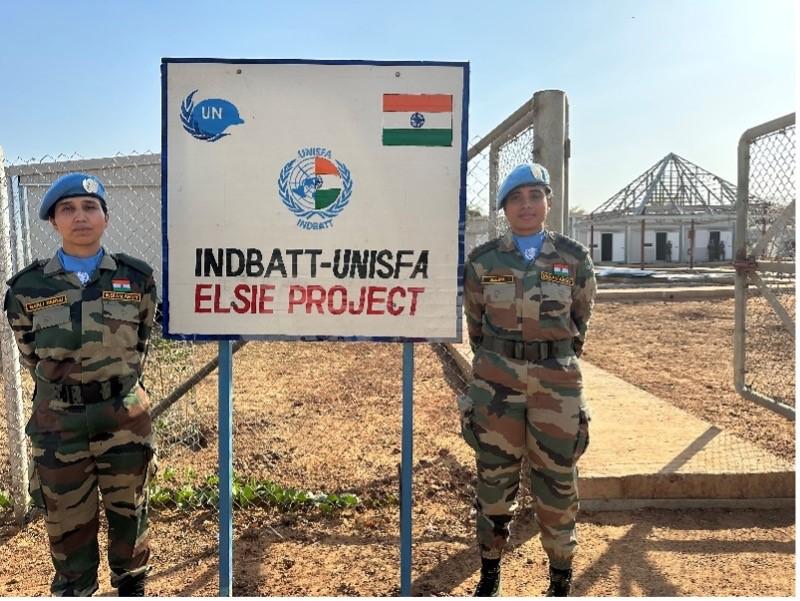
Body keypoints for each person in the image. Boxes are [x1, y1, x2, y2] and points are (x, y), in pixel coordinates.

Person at [4, 172, 158, 597]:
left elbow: (141, 344)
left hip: (124, 417)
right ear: (54, 221)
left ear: (105, 218)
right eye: (67, 209)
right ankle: (76, 588)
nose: (80, 217)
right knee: (67, 527)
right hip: (59, 425)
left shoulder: (138, 278)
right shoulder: (27, 289)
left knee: (131, 516)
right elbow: (30, 353)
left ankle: (131, 587)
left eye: (91, 207)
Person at [460, 163, 596, 596]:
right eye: (516, 198)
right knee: (494, 478)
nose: (526, 205)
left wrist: (551, 358)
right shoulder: (483, 262)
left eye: (534, 196)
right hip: (496, 381)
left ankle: (560, 576)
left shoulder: (573, 259)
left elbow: (582, 317)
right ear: (504, 208)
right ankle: (490, 572)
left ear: (548, 203)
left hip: (556, 383)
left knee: (557, 480)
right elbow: (475, 325)